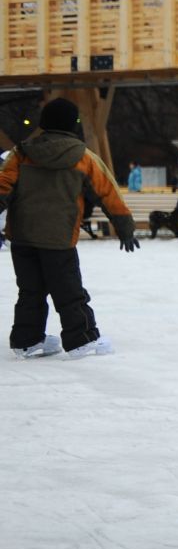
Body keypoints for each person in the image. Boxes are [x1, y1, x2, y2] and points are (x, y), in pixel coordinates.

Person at [0, 96, 138, 360]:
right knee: (69, 291)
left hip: (23, 237)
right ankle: (81, 339)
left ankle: (27, 340)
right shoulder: (83, 157)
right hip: (58, 238)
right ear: (73, 124)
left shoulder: (21, 153)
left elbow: (2, 186)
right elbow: (108, 193)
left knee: (30, 291)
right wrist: (125, 227)